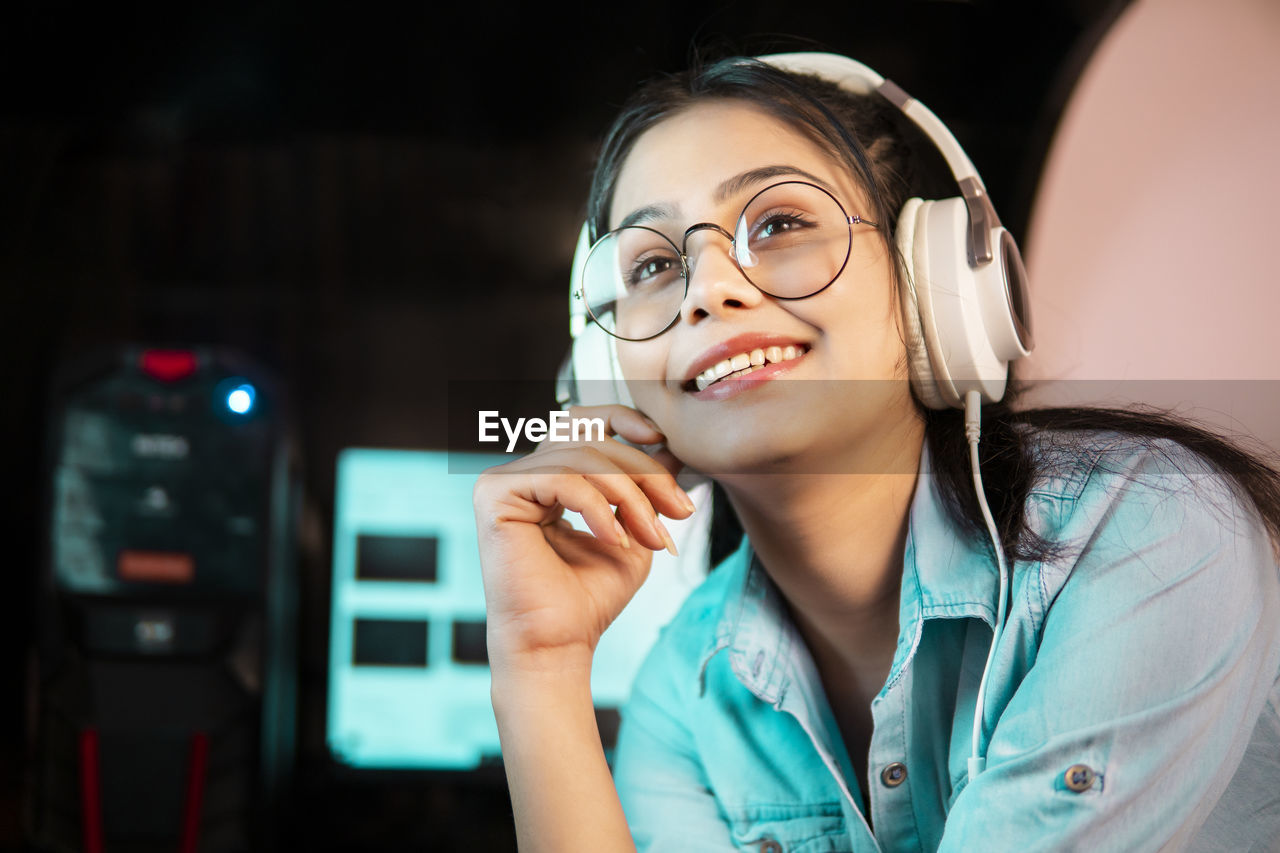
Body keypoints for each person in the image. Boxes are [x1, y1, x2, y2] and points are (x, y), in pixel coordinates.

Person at [472, 51, 1280, 852]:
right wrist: (537, 661)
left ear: (930, 283)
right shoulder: (680, 697)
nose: (706, 289)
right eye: (652, 263)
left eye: (779, 223)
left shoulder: (1149, 528)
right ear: (608, 377)